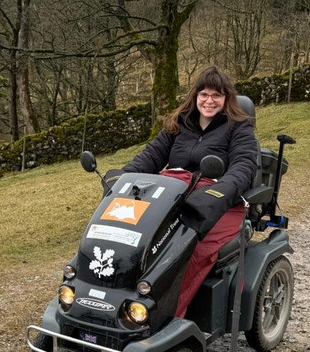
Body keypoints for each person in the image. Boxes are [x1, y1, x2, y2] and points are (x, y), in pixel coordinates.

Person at [107, 67, 259, 319]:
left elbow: (243, 168)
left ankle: (165, 318)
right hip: (172, 197)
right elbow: (152, 155)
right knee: (130, 238)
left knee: (187, 252)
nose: (209, 101)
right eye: (204, 94)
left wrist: (218, 193)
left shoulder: (239, 127)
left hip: (218, 204)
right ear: (195, 95)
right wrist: (123, 178)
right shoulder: (180, 122)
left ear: (226, 99)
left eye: (216, 95)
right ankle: (115, 303)